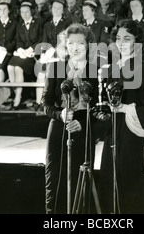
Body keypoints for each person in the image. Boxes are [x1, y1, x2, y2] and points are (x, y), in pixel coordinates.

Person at [98, 19, 144, 214]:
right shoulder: (113, 69)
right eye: (118, 39)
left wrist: (126, 108)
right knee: (108, 184)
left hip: (131, 135)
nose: (121, 43)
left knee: (129, 189)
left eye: (127, 38)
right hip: (112, 134)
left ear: (137, 41)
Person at [42, 23, 99, 214]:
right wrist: (60, 114)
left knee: (80, 179)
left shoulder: (94, 70)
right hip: (59, 126)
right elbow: (46, 103)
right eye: (71, 43)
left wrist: (81, 124)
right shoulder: (55, 67)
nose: (75, 47)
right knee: (54, 179)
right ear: (66, 44)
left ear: (87, 45)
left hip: (82, 129)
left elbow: (96, 107)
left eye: (80, 43)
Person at [7, 1, 42, 110]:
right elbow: (18, 41)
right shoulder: (20, 25)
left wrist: (30, 49)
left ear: (31, 12)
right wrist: (20, 49)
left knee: (17, 68)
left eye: (27, 12)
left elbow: (41, 40)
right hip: (23, 53)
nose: (24, 14)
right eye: (22, 12)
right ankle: (16, 93)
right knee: (10, 67)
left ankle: (17, 98)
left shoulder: (38, 23)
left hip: (33, 54)